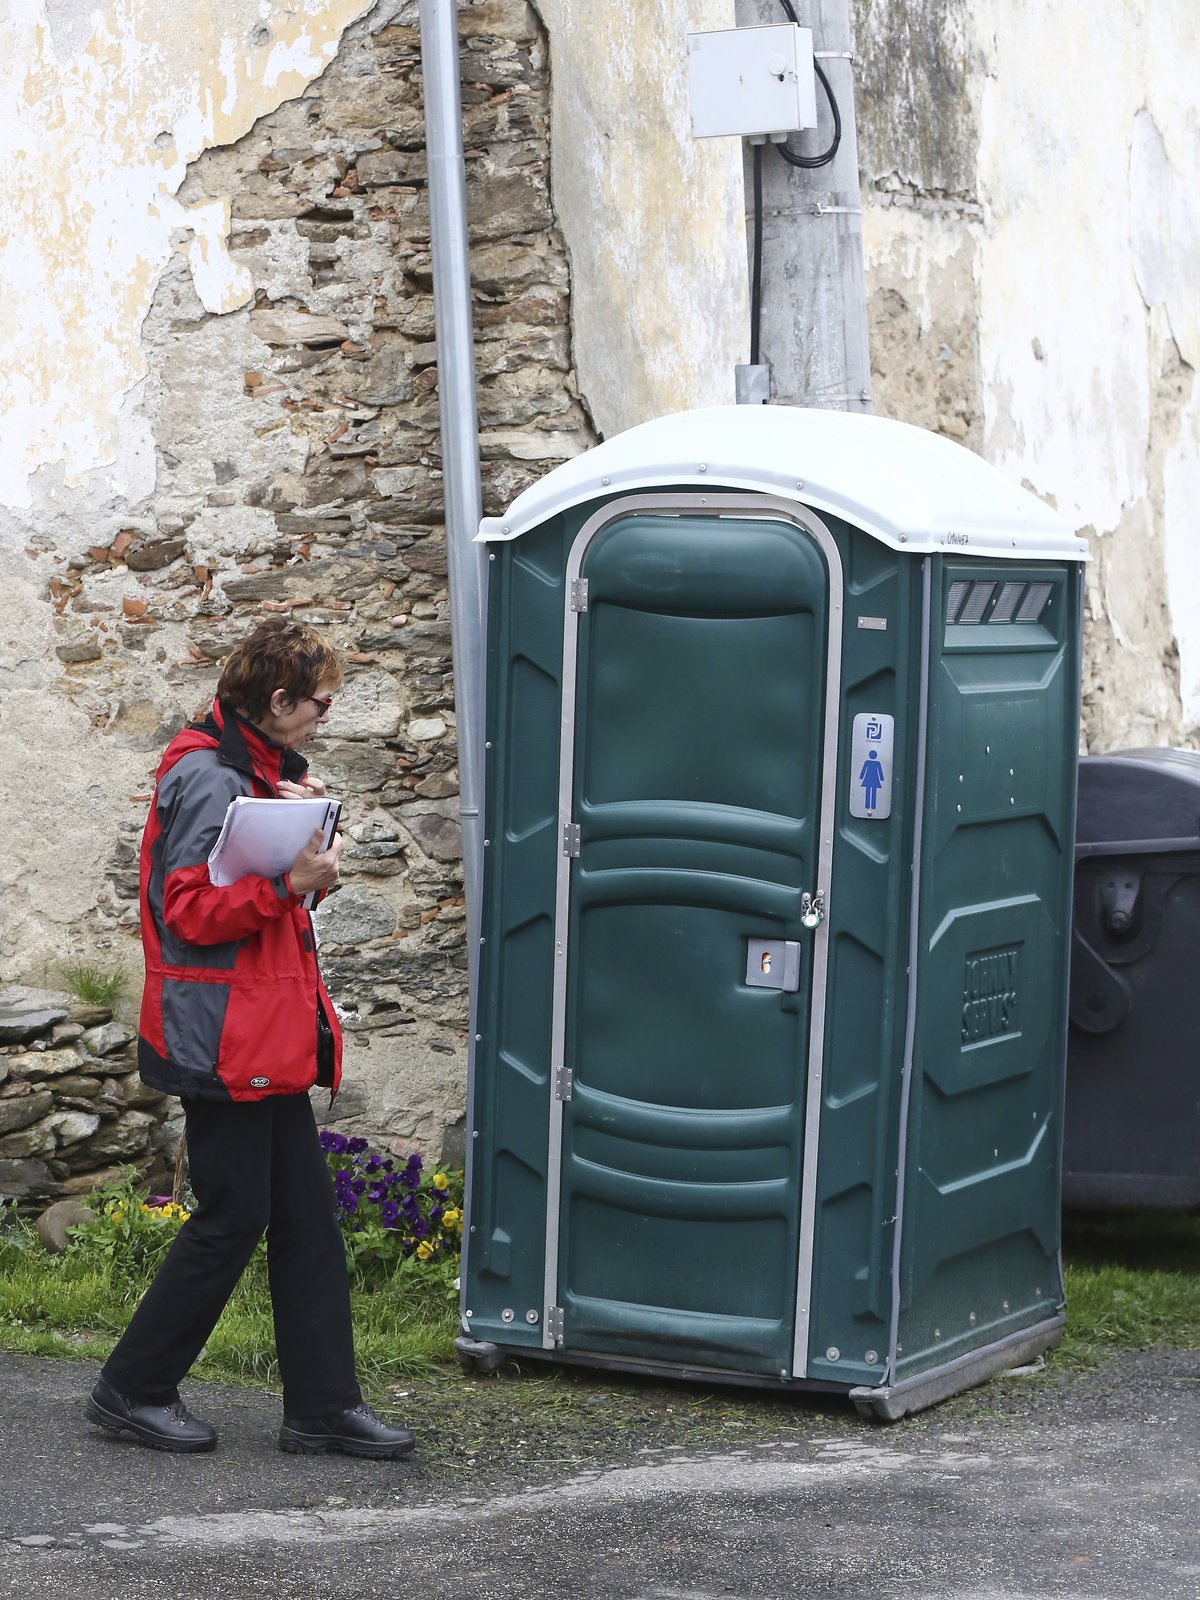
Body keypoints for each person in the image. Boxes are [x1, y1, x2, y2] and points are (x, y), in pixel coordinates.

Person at [85, 618, 414, 1459]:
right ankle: (132, 1390)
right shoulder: (204, 777)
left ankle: (322, 1409)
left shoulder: (261, 774)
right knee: (233, 1215)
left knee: (304, 1218)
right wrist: (289, 881)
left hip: (261, 1034)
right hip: (221, 1037)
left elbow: (258, 907)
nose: (324, 720)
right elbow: (188, 913)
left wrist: (305, 870)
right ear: (277, 700)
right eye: (319, 705)